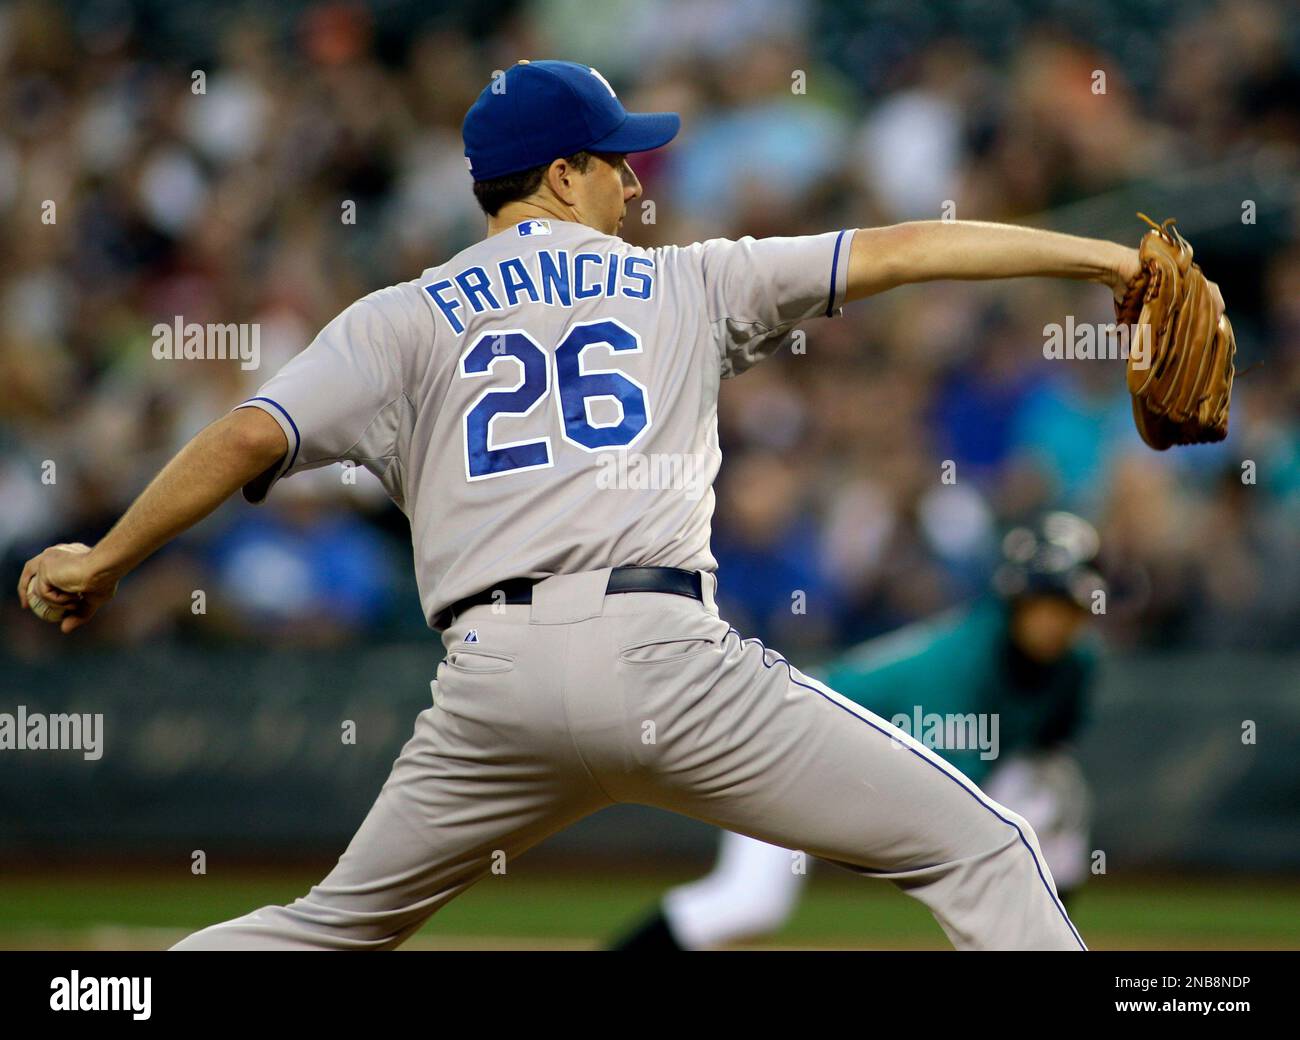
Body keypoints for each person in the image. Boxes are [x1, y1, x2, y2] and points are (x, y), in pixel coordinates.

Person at [21, 59, 1195, 951]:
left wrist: (106, 555)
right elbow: (897, 250)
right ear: (561, 174)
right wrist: (1102, 262)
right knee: (982, 848)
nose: (635, 177)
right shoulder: (684, 277)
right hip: (666, 660)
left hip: (492, 682)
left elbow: (244, 434)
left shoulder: (400, 315)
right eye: (614, 158)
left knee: (327, 928)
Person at [613, 512, 1103, 950]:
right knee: (749, 904)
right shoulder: (959, 668)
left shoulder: (1076, 664)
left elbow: (1043, 756)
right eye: (1044, 603)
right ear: (1014, 599)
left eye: (1067, 607)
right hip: (787, 742)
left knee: (1051, 786)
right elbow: (945, 814)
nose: (1055, 621)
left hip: (871, 759)